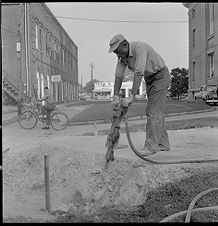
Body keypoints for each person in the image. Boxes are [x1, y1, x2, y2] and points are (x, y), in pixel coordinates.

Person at [108, 34, 171, 156]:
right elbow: (118, 76)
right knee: (156, 111)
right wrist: (115, 96)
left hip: (161, 76)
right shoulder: (122, 58)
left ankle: (151, 147)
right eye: (115, 53)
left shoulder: (140, 48)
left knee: (153, 111)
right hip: (150, 79)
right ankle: (163, 144)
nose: (117, 55)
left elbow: (138, 72)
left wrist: (131, 97)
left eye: (118, 51)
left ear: (125, 45)